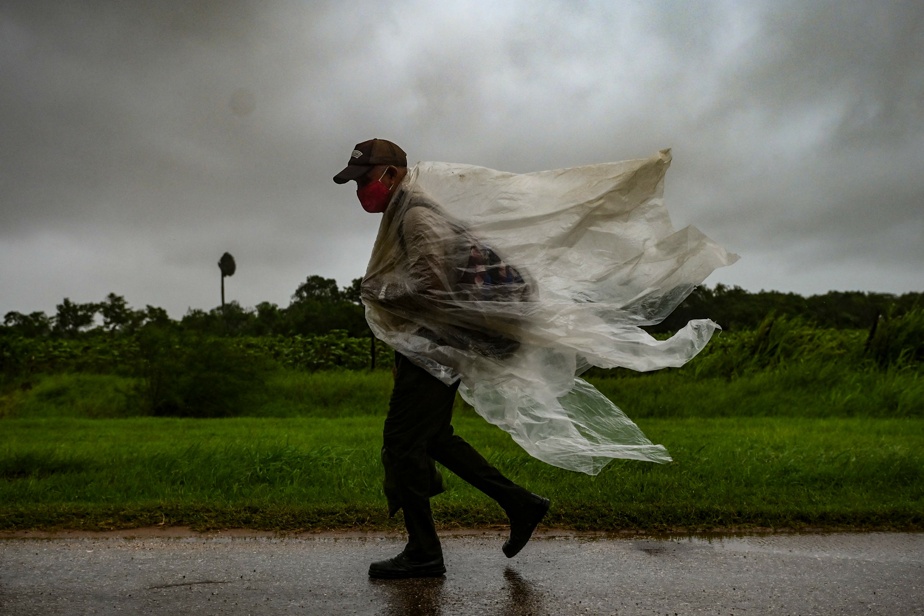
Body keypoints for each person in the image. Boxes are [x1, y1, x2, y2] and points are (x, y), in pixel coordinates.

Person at [334, 138, 550, 580]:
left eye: (365, 180)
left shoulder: (415, 216)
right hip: (435, 346)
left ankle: (424, 553)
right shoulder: (410, 211)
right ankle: (521, 504)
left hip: (440, 346)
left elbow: (431, 290)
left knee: (401, 442)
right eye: (355, 184)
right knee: (432, 438)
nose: (360, 192)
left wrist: (378, 293)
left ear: (391, 174)